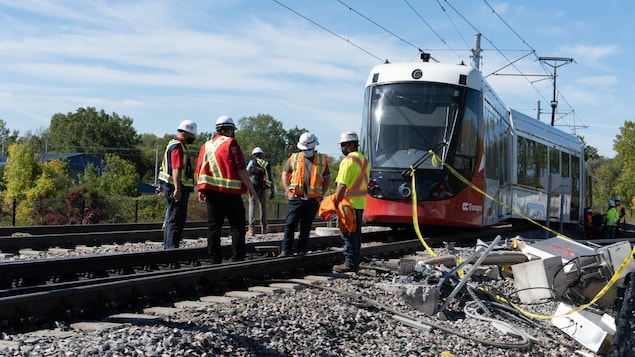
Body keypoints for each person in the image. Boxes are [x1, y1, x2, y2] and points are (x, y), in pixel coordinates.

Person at [196, 115, 256, 263]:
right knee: (237, 226)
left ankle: (214, 259)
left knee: (213, 227)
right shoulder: (231, 143)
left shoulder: (206, 145)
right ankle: (237, 257)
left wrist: (201, 190)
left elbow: (199, 169)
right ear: (230, 129)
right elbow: (241, 168)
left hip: (211, 192)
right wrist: (251, 188)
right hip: (230, 193)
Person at [279, 132, 330, 257]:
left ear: (314, 147)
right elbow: (285, 174)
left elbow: (327, 178)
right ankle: (285, 251)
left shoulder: (322, 160)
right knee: (290, 225)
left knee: (305, 227)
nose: (306, 151)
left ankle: (302, 251)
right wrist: (288, 191)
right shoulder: (294, 157)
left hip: (312, 200)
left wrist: (321, 194)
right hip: (296, 198)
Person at [331, 131, 370, 273]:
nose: (341, 148)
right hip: (360, 204)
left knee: (348, 234)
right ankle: (354, 262)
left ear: (352, 145)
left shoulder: (348, 161)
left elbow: (341, 185)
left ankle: (349, 264)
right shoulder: (364, 160)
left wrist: (335, 202)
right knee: (356, 235)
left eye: (343, 145)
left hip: (349, 204)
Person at [158, 119, 197, 249]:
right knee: (176, 220)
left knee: (171, 218)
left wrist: (161, 183)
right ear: (186, 133)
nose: (193, 138)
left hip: (169, 186)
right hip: (176, 189)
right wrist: (178, 189)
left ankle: (168, 247)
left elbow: (165, 167)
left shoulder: (172, 143)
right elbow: (175, 169)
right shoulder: (177, 146)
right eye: (192, 135)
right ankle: (171, 249)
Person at [247, 147, 276, 236]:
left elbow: (246, 172)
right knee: (262, 207)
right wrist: (272, 190)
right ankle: (264, 228)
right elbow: (271, 178)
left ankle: (251, 229)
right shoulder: (266, 164)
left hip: (254, 187)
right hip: (264, 187)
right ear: (261, 154)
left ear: (253, 155)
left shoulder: (252, 162)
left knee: (252, 205)